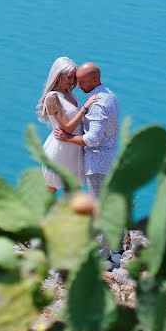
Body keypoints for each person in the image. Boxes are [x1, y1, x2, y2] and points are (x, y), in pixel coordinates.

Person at [53, 62, 120, 265]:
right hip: (110, 159)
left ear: (95, 80)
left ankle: (101, 258)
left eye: (81, 81)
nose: (78, 85)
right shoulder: (110, 95)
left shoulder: (98, 105)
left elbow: (93, 139)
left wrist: (67, 139)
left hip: (98, 163)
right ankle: (109, 251)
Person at [36, 57, 100, 193]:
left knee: (71, 194)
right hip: (60, 149)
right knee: (49, 191)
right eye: (69, 77)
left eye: (74, 78)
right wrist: (85, 107)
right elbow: (68, 127)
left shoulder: (70, 95)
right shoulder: (52, 98)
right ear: (59, 75)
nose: (72, 82)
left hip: (74, 148)